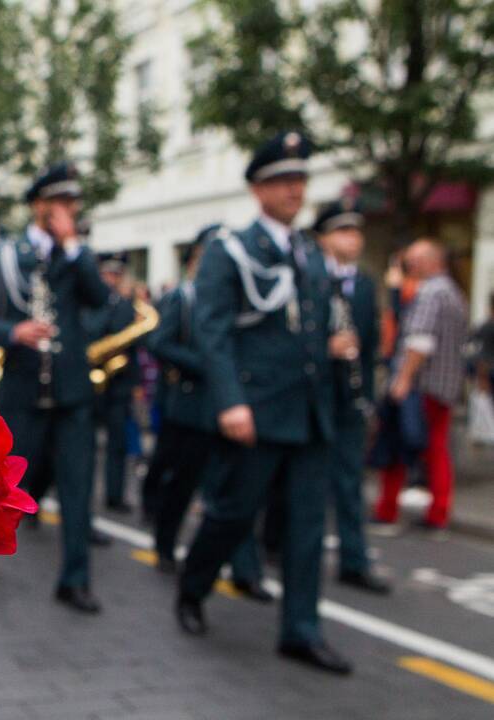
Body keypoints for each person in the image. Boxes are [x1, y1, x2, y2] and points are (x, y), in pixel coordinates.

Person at [175, 131, 354, 674]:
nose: (294, 189)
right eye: (282, 180)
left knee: (305, 527)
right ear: (258, 189)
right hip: (255, 408)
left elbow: (305, 327)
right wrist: (230, 401)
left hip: (309, 411)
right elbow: (212, 331)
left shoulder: (309, 253)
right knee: (232, 514)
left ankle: (301, 630)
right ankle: (193, 585)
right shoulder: (232, 250)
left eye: (300, 179)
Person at [0, 161, 109, 612]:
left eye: (72, 203)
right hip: (24, 391)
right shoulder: (6, 256)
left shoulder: (76, 257)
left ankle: (75, 579)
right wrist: (14, 332)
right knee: (5, 482)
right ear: (38, 206)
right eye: (58, 203)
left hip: (71, 393)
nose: (66, 211)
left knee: (76, 488)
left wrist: (73, 245)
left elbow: (101, 300)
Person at [143, 229, 269, 600]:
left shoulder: (246, 299)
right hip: (192, 408)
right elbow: (160, 343)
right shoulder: (182, 297)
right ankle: (165, 545)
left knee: (237, 492)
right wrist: (203, 365)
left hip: (232, 408)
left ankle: (246, 570)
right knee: (182, 484)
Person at [313, 198, 389, 593]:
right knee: (297, 479)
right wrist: (325, 349)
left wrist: (369, 398)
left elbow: (372, 345)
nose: (354, 239)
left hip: (350, 398)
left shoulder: (363, 284)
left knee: (349, 481)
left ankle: (353, 560)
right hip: (313, 394)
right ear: (323, 238)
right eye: (344, 231)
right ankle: (273, 543)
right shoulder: (307, 276)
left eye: (357, 232)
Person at [374, 239, 468, 529]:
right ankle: (437, 511)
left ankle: (390, 509)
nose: (410, 266)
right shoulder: (453, 292)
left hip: (422, 386)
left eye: (414, 260)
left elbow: (420, 341)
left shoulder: (431, 292)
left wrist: (402, 379)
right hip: (443, 385)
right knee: (436, 449)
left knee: (400, 447)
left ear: (432, 261)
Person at [84, 253, 141, 514]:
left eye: (117, 274)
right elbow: (88, 332)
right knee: (86, 444)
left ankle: (114, 495)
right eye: (108, 273)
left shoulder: (128, 304)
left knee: (117, 443)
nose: (113, 278)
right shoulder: (91, 302)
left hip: (118, 383)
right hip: (90, 380)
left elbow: (136, 347)